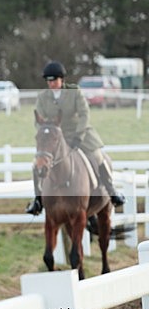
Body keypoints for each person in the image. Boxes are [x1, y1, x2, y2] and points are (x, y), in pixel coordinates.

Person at [25, 61, 126, 215]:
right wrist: (45, 132)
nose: (51, 84)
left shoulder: (75, 92)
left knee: (97, 157)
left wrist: (79, 135)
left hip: (78, 134)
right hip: (55, 138)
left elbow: (85, 114)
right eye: (49, 81)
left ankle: (112, 192)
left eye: (54, 80)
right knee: (36, 164)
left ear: (62, 79)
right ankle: (38, 200)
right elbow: (38, 120)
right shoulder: (43, 97)